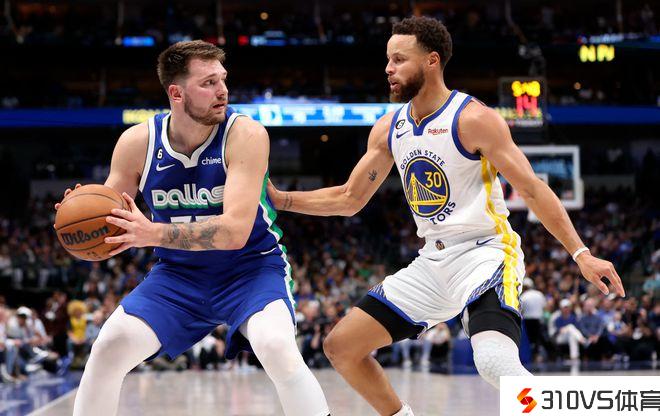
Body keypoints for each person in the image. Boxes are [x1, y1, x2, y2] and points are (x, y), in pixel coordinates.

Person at [267, 16, 625, 416]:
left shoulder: (474, 118)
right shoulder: (389, 128)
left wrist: (581, 254)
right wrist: (281, 199)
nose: (388, 68)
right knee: (341, 347)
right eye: (388, 59)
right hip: (433, 261)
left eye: (399, 59)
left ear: (432, 61)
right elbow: (350, 198)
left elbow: (533, 189)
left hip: (486, 254)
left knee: (493, 363)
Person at [55, 40, 329, 416]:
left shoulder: (246, 135)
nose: (223, 91)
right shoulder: (137, 143)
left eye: (223, 79)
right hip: (178, 277)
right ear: (176, 93)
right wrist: (78, 215)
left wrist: (152, 233)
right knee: (108, 348)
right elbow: (109, 220)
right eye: (208, 83)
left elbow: (234, 233)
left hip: (250, 270)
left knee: (277, 348)